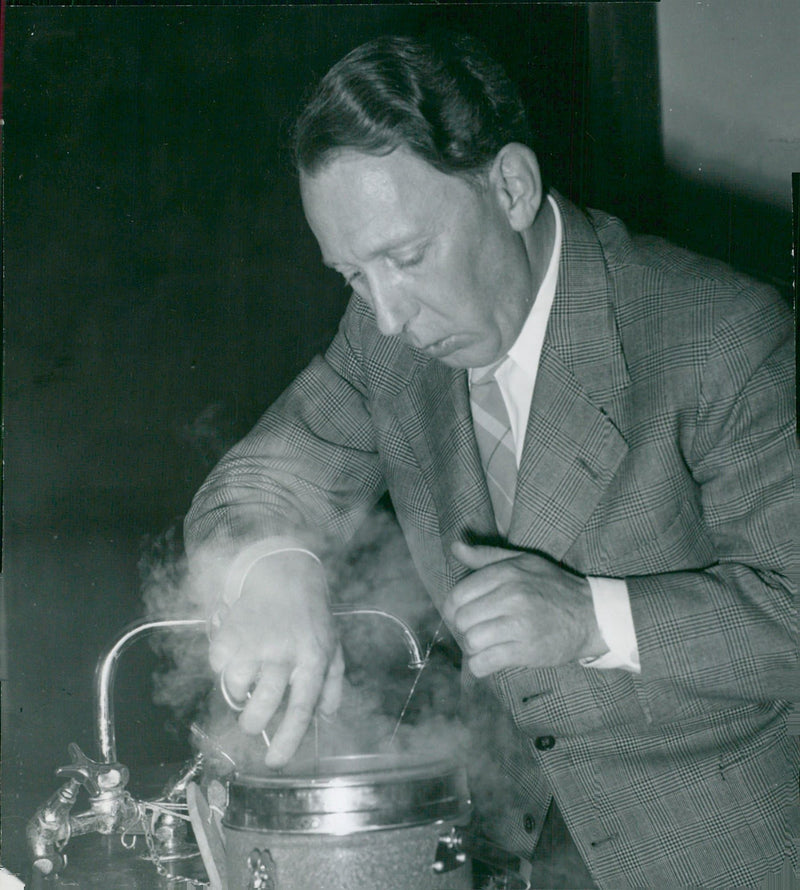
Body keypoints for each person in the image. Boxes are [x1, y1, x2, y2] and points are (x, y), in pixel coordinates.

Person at [184, 32, 797, 889]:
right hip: (518, 846)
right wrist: (271, 564)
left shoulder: (719, 335)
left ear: (510, 187)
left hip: (720, 850)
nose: (389, 315)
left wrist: (593, 620)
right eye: (352, 276)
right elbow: (264, 478)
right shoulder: (385, 341)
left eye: (404, 258)